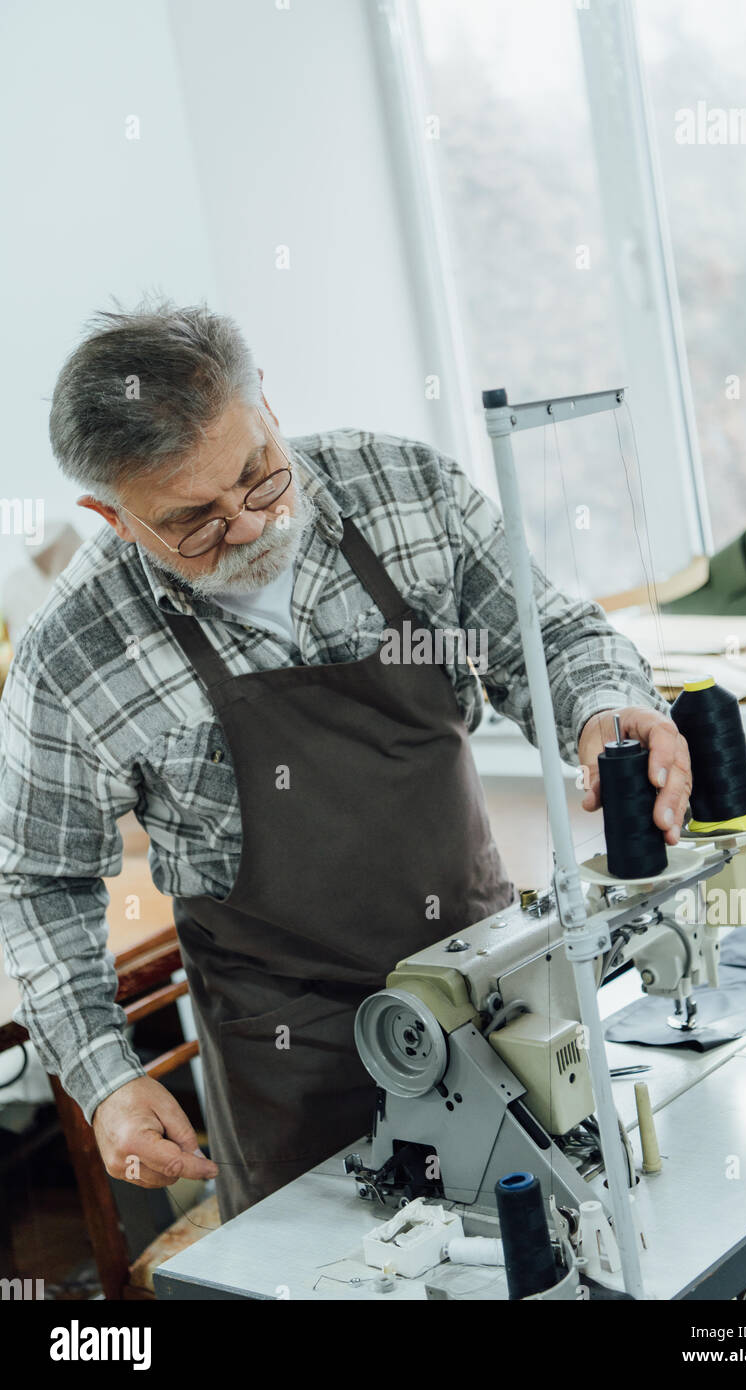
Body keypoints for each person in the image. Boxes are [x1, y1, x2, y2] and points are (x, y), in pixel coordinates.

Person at [0, 298, 691, 1221]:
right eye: (193, 522)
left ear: (268, 407)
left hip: (488, 992)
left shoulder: (405, 490)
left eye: (258, 477)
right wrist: (104, 1076)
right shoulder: (75, 654)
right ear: (113, 516)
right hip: (292, 1060)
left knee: (550, 1244)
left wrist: (607, 706)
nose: (247, 527)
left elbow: (549, 639)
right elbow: (39, 882)